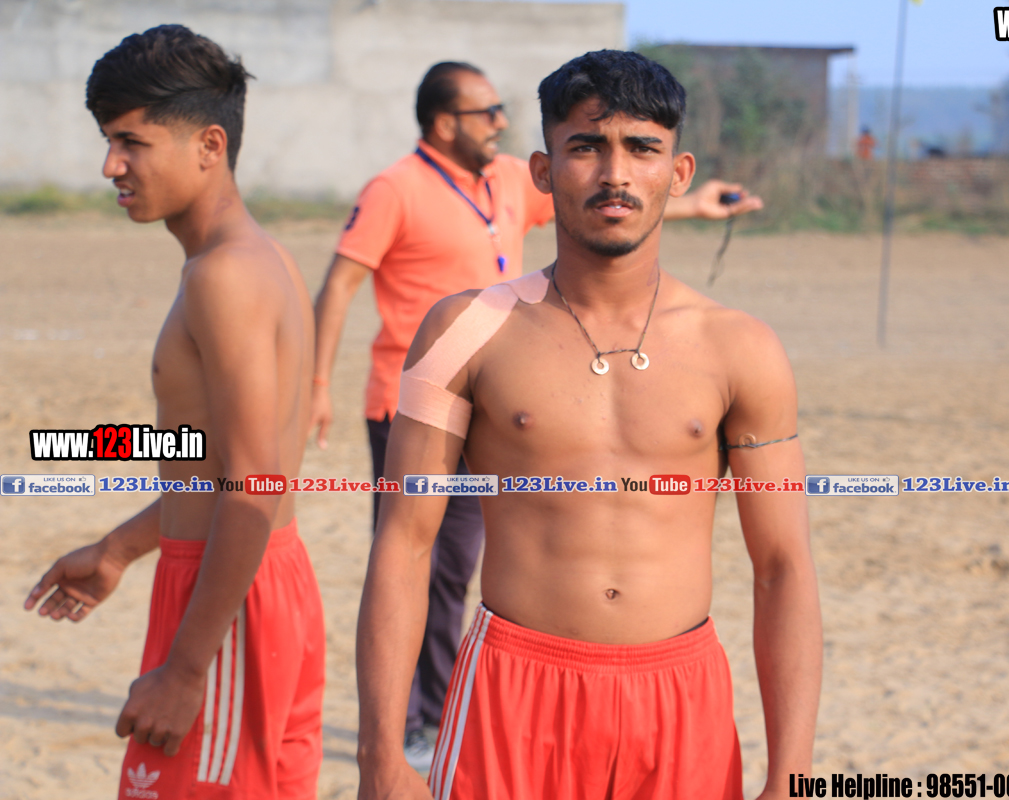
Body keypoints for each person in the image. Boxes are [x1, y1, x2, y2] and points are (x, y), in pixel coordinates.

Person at [356, 50, 822, 800]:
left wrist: (791, 775)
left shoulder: (741, 348)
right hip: (511, 694)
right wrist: (380, 755)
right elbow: (405, 545)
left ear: (679, 172)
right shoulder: (465, 331)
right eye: (586, 146)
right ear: (542, 171)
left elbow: (783, 568)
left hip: (680, 700)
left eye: (642, 148)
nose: (615, 174)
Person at [23, 26, 324, 799]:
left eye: (132, 142)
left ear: (209, 145)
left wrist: (187, 670)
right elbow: (232, 470)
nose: (110, 166)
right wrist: (122, 547)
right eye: (107, 140)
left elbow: (254, 486)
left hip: (226, 601)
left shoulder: (226, 278)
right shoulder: (259, 258)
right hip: (247, 576)